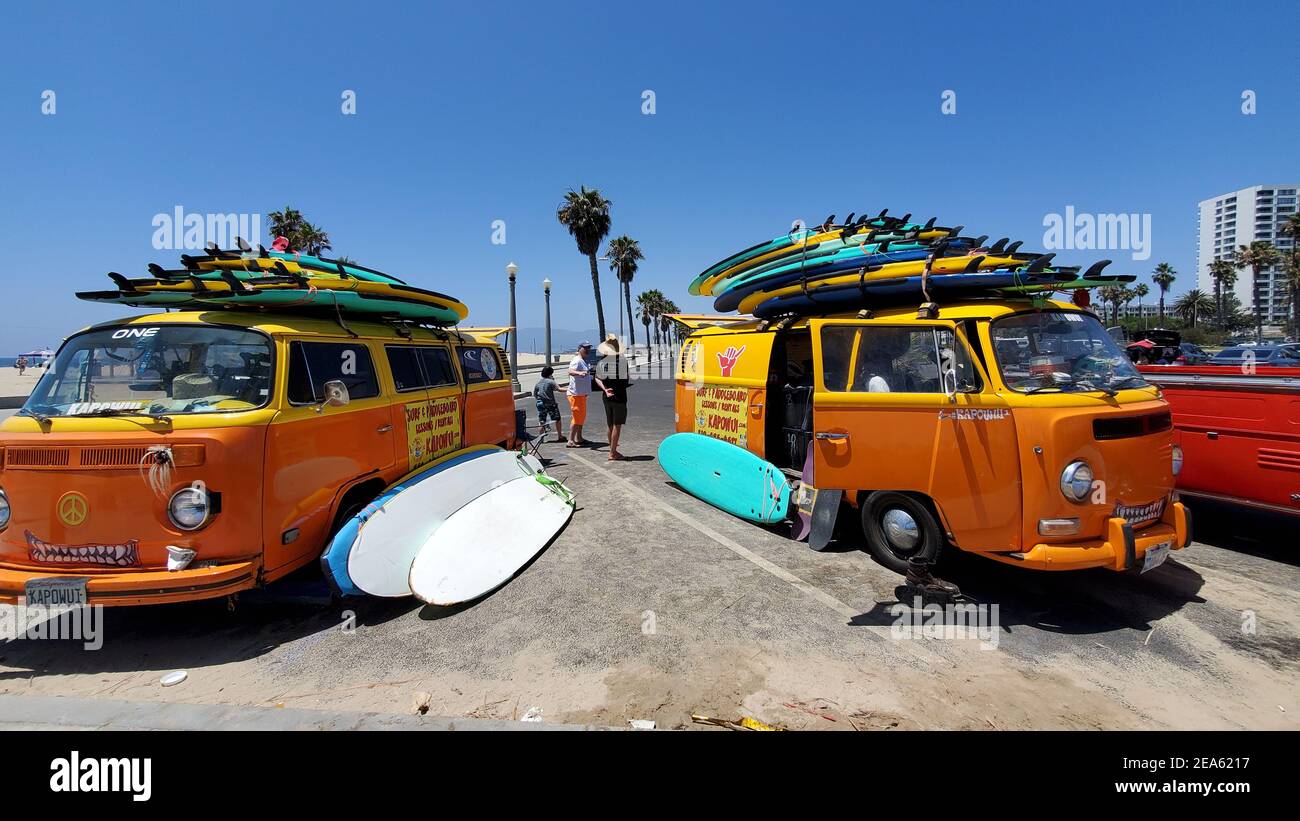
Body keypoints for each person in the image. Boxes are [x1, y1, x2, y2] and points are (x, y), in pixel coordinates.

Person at [594, 334, 631, 461]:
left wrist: (605, 388)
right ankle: (613, 452)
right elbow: (625, 380)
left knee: (610, 424)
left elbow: (597, 378)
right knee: (617, 424)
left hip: (606, 395)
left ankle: (612, 449)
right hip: (619, 396)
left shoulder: (601, 362)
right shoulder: (622, 362)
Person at [566, 341, 594, 448]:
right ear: (579, 349)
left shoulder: (582, 361)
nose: (588, 350)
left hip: (581, 394)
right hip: (575, 394)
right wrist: (580, 373)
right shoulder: (577, 360)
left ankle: (579, 438)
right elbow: (570, 371)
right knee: (577, 417)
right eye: (585, 348)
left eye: (589, 348)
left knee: (581, 417)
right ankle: (570, 440)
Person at [533, 366, 563, 442]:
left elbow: (535, 394)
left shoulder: (538, 383)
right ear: (550, 374)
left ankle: (541, 439)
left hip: (540, 403)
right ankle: (560, 436)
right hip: (550, 403)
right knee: (557, 419)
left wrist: (539, 399)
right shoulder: (551, 382)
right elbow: (559, 389)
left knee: (542, 420)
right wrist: (570, 389)